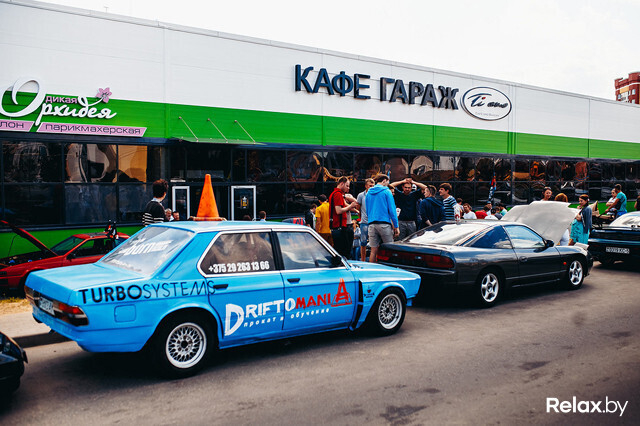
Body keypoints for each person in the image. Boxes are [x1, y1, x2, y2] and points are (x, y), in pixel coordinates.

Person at [366, 174, 399, 263]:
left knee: (373, 251)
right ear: (384, 181)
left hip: (372, 223)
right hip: (384, 223)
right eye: (388, 182)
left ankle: (372, 269)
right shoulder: (386, 191)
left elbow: (368, 209)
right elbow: (392, 210)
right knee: (389, 249)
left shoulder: (369, 192)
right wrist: (396, 226)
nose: (388, 184)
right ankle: (389, 269)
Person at [329, 177, 358, 258]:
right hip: (340, 227)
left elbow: (344, 206)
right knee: (344, 252)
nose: (348, 188)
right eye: (347, 185)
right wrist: (351, 206)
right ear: (341, 183)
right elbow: (338, 211)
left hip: (339, 227)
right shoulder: (337, 194)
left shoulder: (337, 194)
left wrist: (352, 208)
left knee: (342, 252)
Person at [356, 178, 375, 261]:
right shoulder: (361, 195)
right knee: (363, 242)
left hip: (373, 221)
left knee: (374, 243)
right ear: (366, 186)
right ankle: (363, 260)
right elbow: (358, 207)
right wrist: (360, 218)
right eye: (370, 186)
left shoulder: (375, 195)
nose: (371, 187)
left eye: (373, 186)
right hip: (364, 221)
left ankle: (373, 260)